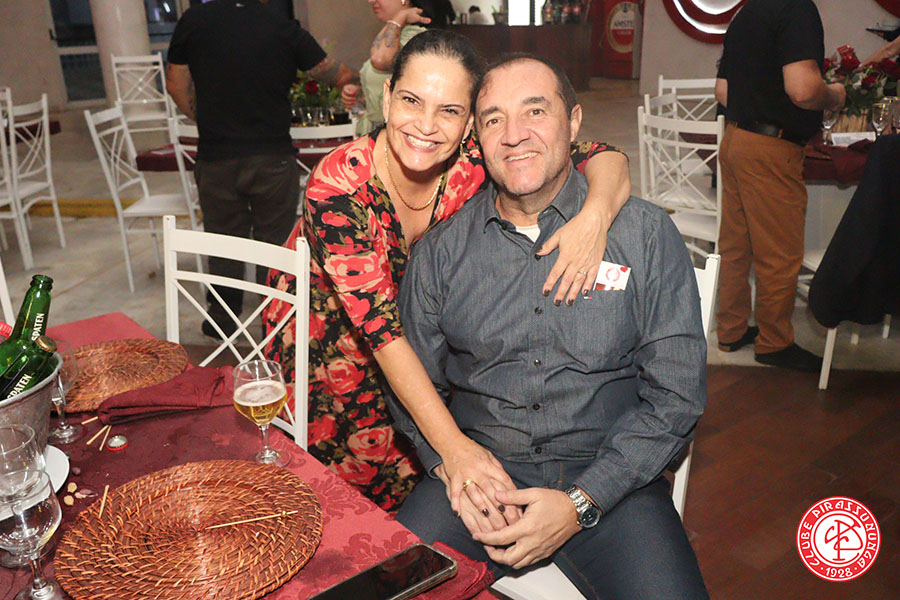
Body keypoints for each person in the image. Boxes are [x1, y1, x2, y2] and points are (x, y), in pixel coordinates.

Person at [263, 30, 630, 511]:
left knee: (413, 508)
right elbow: (380, 333)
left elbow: (601, 155)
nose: (426, 126)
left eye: (450, 111)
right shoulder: (338, 186)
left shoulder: (474, 159)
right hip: (330, 348)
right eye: (411, 101)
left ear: (470, 123)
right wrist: (455, 448)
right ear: (387, 97)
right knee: (332, 508)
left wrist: (595, 216)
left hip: (416, 343)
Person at [392, 54, 709, 599]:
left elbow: (677, 395)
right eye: (493, 119)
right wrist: (451, 466)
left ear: (575, 122)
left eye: (535, 111)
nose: (514, 134)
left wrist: (582, 501)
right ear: (477, 138)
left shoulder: (644, 236)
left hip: (614, 482)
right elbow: (412, 388)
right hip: (481, 480)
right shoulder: (441, 252)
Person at [165, 0, 357, 337]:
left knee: (222, 242)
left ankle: (223, 322)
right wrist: (350, 83)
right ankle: (276, 324)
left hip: (216, 156)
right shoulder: (280, 26)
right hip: (272, 157)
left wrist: (204, 118)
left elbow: (175, 85)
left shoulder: (193, 21)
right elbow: (335, 73)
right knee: (274, 246)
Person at [714, 0, 845, 371]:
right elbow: (803, 90)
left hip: (736, 138)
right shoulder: (797, 9)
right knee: (779, 253)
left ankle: (731, 330)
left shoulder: (747, 12)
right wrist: (835, 95)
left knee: (736, 246)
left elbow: (722, 91)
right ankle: (774, 342)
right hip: (772, 146)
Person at [342, 0, 456, 135]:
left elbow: (380, 59)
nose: (371, 1)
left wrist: (399, 18)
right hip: (377, 132)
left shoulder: (415, 36)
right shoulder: (398, 34)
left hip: (395, 135)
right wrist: (362, 94)